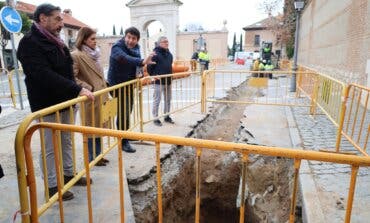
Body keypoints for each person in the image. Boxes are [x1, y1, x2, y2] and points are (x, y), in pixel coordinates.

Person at [17, 3, 94, 201]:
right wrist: (77, 89)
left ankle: (69, 174)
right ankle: (52, 187)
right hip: (47, 105)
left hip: (66, 102)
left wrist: (74, 92)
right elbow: (43, 74)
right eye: (58, 19)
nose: (61, 23)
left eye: (61, 19)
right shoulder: (29, 43)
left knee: (67, 141)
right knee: (50, 148)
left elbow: (67, 71)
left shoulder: (57, 41)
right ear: (43, 18)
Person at [107, 26, 155, 153]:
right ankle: (123, 141)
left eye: (134, 38)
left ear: (137, 40)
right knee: (123, 112)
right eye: (128, 37)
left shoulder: (136, 48)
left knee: (128, 110)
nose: (130, 41)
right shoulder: (117, 47)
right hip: (117, 85)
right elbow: (124, 58)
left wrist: (140, 73)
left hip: (129, 84)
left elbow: (136, 65)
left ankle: (125, 134)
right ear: (125, 37)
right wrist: (142, 61)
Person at [72, 27, 109, 166]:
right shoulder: (76, 55)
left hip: (101, 96)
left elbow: (98, 74)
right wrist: (88, 88)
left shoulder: (95, 54)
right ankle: (91, 158)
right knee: (90, 129)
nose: (95, 41)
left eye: (95, 38)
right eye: (92, 39)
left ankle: (98, 156)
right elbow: (72, 77)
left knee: (98, 128)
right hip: (90, 98)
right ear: (84, 39)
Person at [147, 36, 175, 127]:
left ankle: (167, 116)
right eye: (164, 42)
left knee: (168, 100)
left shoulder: (169, 54)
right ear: (159, 43)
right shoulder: (154, 54)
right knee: (157, 100)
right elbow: (149, 67)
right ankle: (155, 118)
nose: (166, 43)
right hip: (158, 82)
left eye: (167, 42)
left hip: (168, 81)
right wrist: (153, 76)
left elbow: (169, 65)